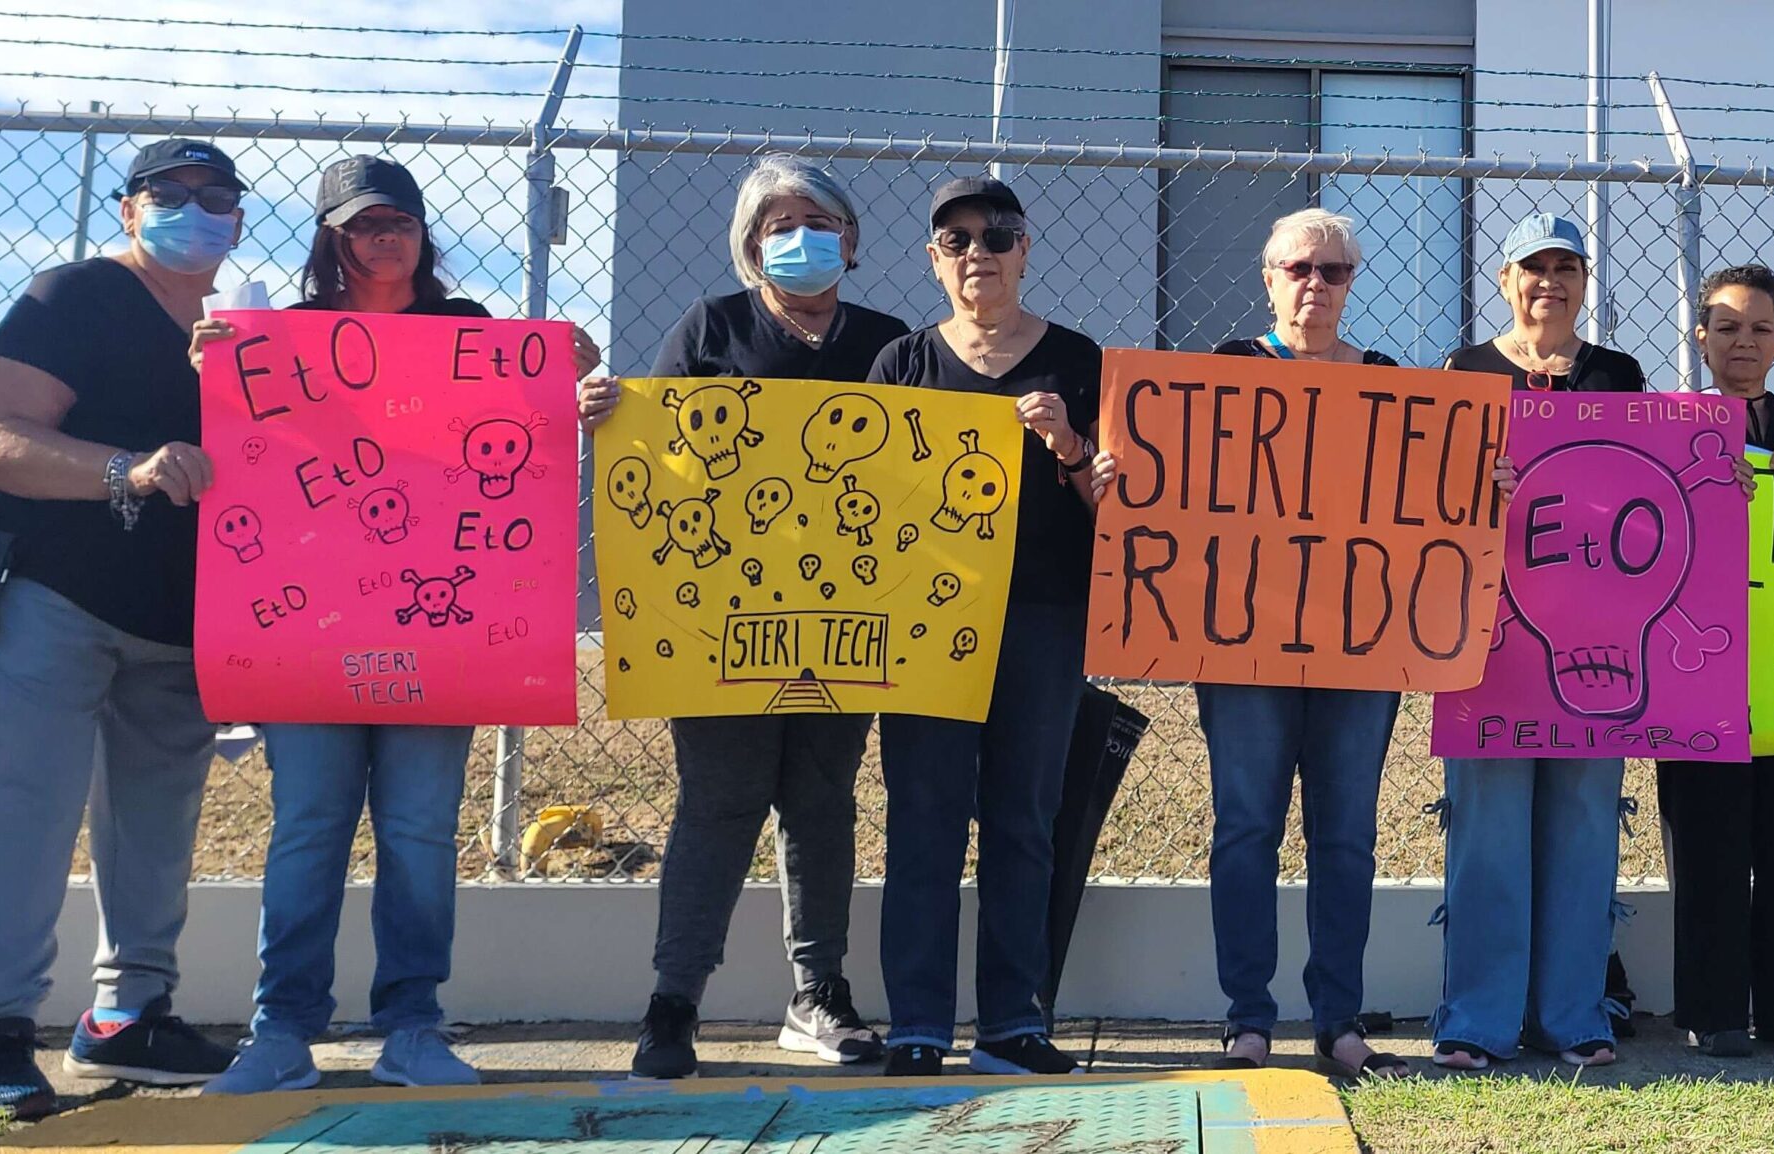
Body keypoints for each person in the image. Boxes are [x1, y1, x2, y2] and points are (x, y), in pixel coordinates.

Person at [188, 156, 600, 1094]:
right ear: (331, 239)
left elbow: (526, 440)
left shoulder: (472, 331)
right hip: (308, 632)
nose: (385, 239)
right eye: (363, 225)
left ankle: (412, 1026)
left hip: (440, 631)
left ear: (423, 234)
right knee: (309, 828)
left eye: (400, 222)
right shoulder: (279, 336)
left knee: (418, 831)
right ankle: (280, 1031)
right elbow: (244, 452)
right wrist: (212, 371)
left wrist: (566, 377)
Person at [577, 155, 908, 1077]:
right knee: (720, 802)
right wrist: (605, 413)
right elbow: (655, 461)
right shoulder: (711, 326)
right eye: (778, 225)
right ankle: (674, 1002)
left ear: (850, 238)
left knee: (821, 802)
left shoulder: (889, 342)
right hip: (721, 620)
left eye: (818, 221)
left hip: (846, 617)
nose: (800, 238)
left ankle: (819, 994)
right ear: (751, 244)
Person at [0, 139, 249, 1118]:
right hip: (46, 592)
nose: (194, 209)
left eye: (216, 195)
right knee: (18, 812)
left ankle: (130, 1013)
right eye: (169, 193)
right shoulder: (73, 294)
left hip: (182, 618)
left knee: (158, 824)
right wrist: (127, 469)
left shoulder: (246, 331)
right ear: (127, 209)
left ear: (241, 218)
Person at [865, 175, 1112, 1077]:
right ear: (934, 259)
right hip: (925, 626)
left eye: (999, 235)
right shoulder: (902, 365)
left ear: (1026, 251)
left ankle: (1012, 1022)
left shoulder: (1080, 361)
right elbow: (862, 504)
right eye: (958, 239)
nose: (980, 253)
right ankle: (918, 1025)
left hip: (1044, 617)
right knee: (923, 818)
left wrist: (1071, 448)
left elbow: (1119, 515)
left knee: (1023, 820)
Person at [1194, 208, 1410, 1080]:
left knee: (1346, 835)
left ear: (1352, 284)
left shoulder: (1390, 382)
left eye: (1334, 270)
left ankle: (1338, 1021)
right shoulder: (1225, 371)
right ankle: (1248, 1018)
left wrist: (1487, 482)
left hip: (1360, 641)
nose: (1315, 284)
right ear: (1268, 278)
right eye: (1299, 269)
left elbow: (1420, 498)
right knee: (1246, 827)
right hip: (1247, 638)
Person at [1427, 214, 1641, 1073]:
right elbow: (1429, 496)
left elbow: (1643, 486)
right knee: (1487, 824)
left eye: (1567, 267)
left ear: (1586, 282)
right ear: (1505, 280)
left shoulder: (1618, 374)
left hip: (1594, 631)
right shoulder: (1464, 371)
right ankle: (1477, 1020)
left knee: (1584, 819)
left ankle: (1572, 1013)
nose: (1550, 281)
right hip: (1487, 628)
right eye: (1534, 266)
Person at [1655, 263, 1774, 1059]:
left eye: (1760, 328)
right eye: (1727, 327)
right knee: (1708, 837)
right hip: (1694, 662)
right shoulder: (1668, 422)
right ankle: (1714, 1008)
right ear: (1701, 338)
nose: (1744, 342)